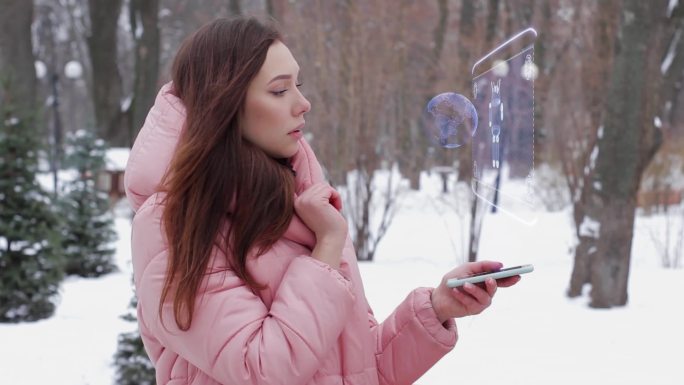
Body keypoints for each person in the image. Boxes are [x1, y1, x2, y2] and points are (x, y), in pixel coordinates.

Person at [124, 16, 521, 385]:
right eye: (279, 90)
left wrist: (436, 309)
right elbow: (263, 366)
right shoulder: (172, 223)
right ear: (224, 105)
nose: (302, 103)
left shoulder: (299, 203)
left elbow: (359, 370)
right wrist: (328, 246)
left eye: (299, 85)